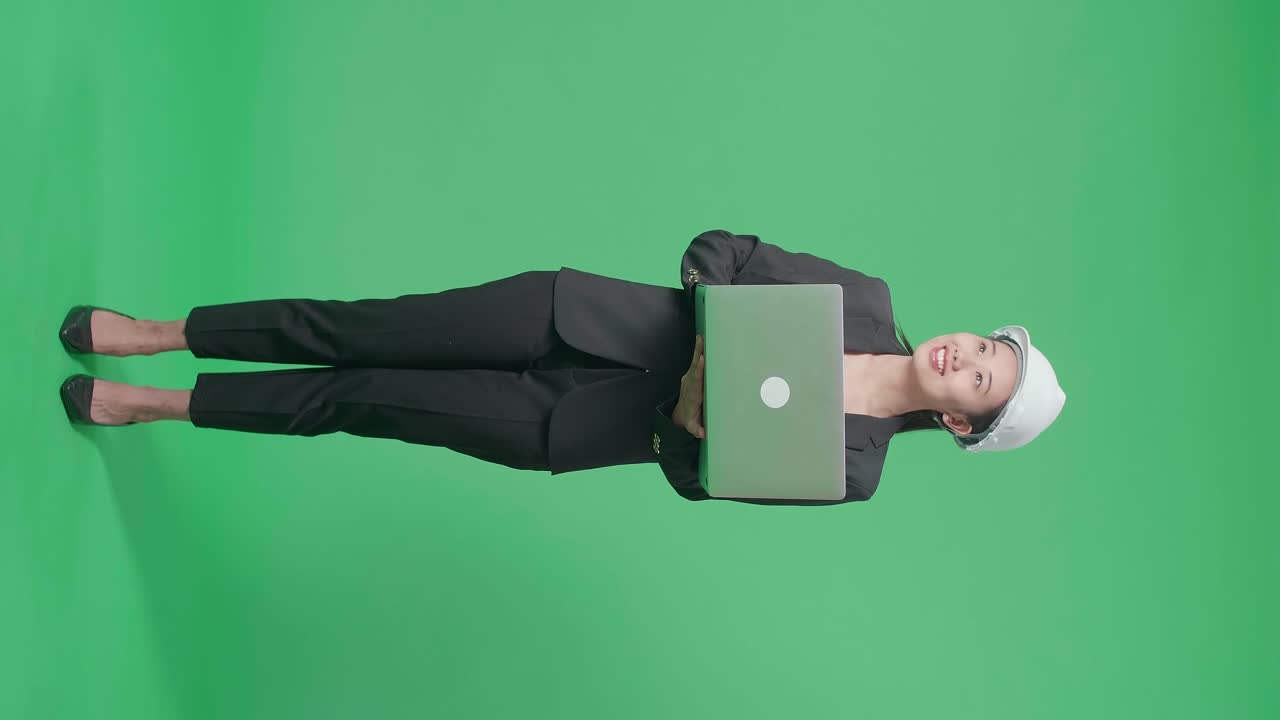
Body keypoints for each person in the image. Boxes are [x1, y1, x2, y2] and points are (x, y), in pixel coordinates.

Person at [58, 229, 1066, 506]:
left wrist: (693, 416)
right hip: (568, 311)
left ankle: (162, 404)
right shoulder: (867, 300)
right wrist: (717, 343)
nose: (965, 357)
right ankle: (160, 329)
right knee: (360, 327)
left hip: (565, 428)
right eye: (982, 347)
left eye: (980, 381)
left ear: (961, 426)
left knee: (358, 400)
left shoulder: (855, 470)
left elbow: (691, 474)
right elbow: (719, 250)